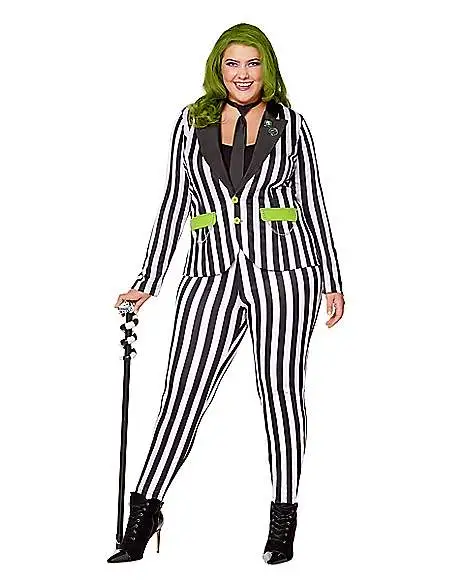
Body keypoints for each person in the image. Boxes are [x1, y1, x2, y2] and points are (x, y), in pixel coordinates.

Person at [108, 22, 345, 566]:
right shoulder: (192, 122)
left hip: (285, 273)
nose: (243, 74)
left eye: (253, 63)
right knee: (182, 395)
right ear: (219, 67)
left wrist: (331, 278)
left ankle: (283, 519)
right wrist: (148, 280)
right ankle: (144, 513)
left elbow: (313, 202)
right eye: (233, 63)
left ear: (268, 69)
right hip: (209, 274)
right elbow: (175, 201)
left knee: (282, 395)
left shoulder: (291, 125)